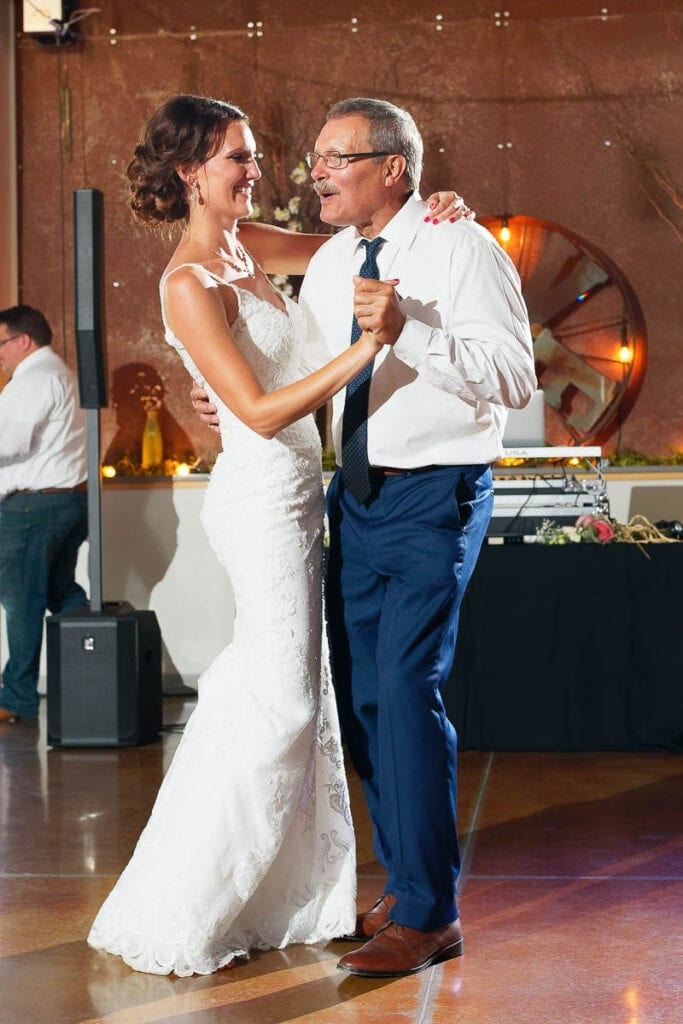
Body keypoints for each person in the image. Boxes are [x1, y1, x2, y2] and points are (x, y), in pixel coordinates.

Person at [87, 94, 468, 978]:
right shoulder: (186, 282)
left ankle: (292, 896)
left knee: (305, 698)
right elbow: (255, 412)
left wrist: (435, 210)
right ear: (190, 173)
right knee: (283, 700)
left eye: (255, 154)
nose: (255, 170)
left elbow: (358, 247)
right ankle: (189, 897)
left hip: (308, 490)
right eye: (236, 158)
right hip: (259, 497)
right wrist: (367, 350)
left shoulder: (249, 245)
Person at [195, 96, 536, 978]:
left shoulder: (461, 247)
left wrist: (410, 333)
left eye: (333, 158)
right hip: (354, 498)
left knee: (406, 687)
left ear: (393, 166)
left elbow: (514, 377)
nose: (315, 173)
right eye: (312, 159)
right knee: (365, 701)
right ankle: (406, 885)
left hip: (436, 493)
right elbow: (307, 370)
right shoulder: (337, 256)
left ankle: (429, 913)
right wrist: (225, 401)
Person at [0, 305, 88, 724]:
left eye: (0, 344)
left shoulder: (34, 378)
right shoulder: (57, 373)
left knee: (22, 601)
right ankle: (93, 674)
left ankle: (16, 699)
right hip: (63, 502)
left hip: (34, 507)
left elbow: (7, 442)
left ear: (23, 341)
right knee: (60, 594)